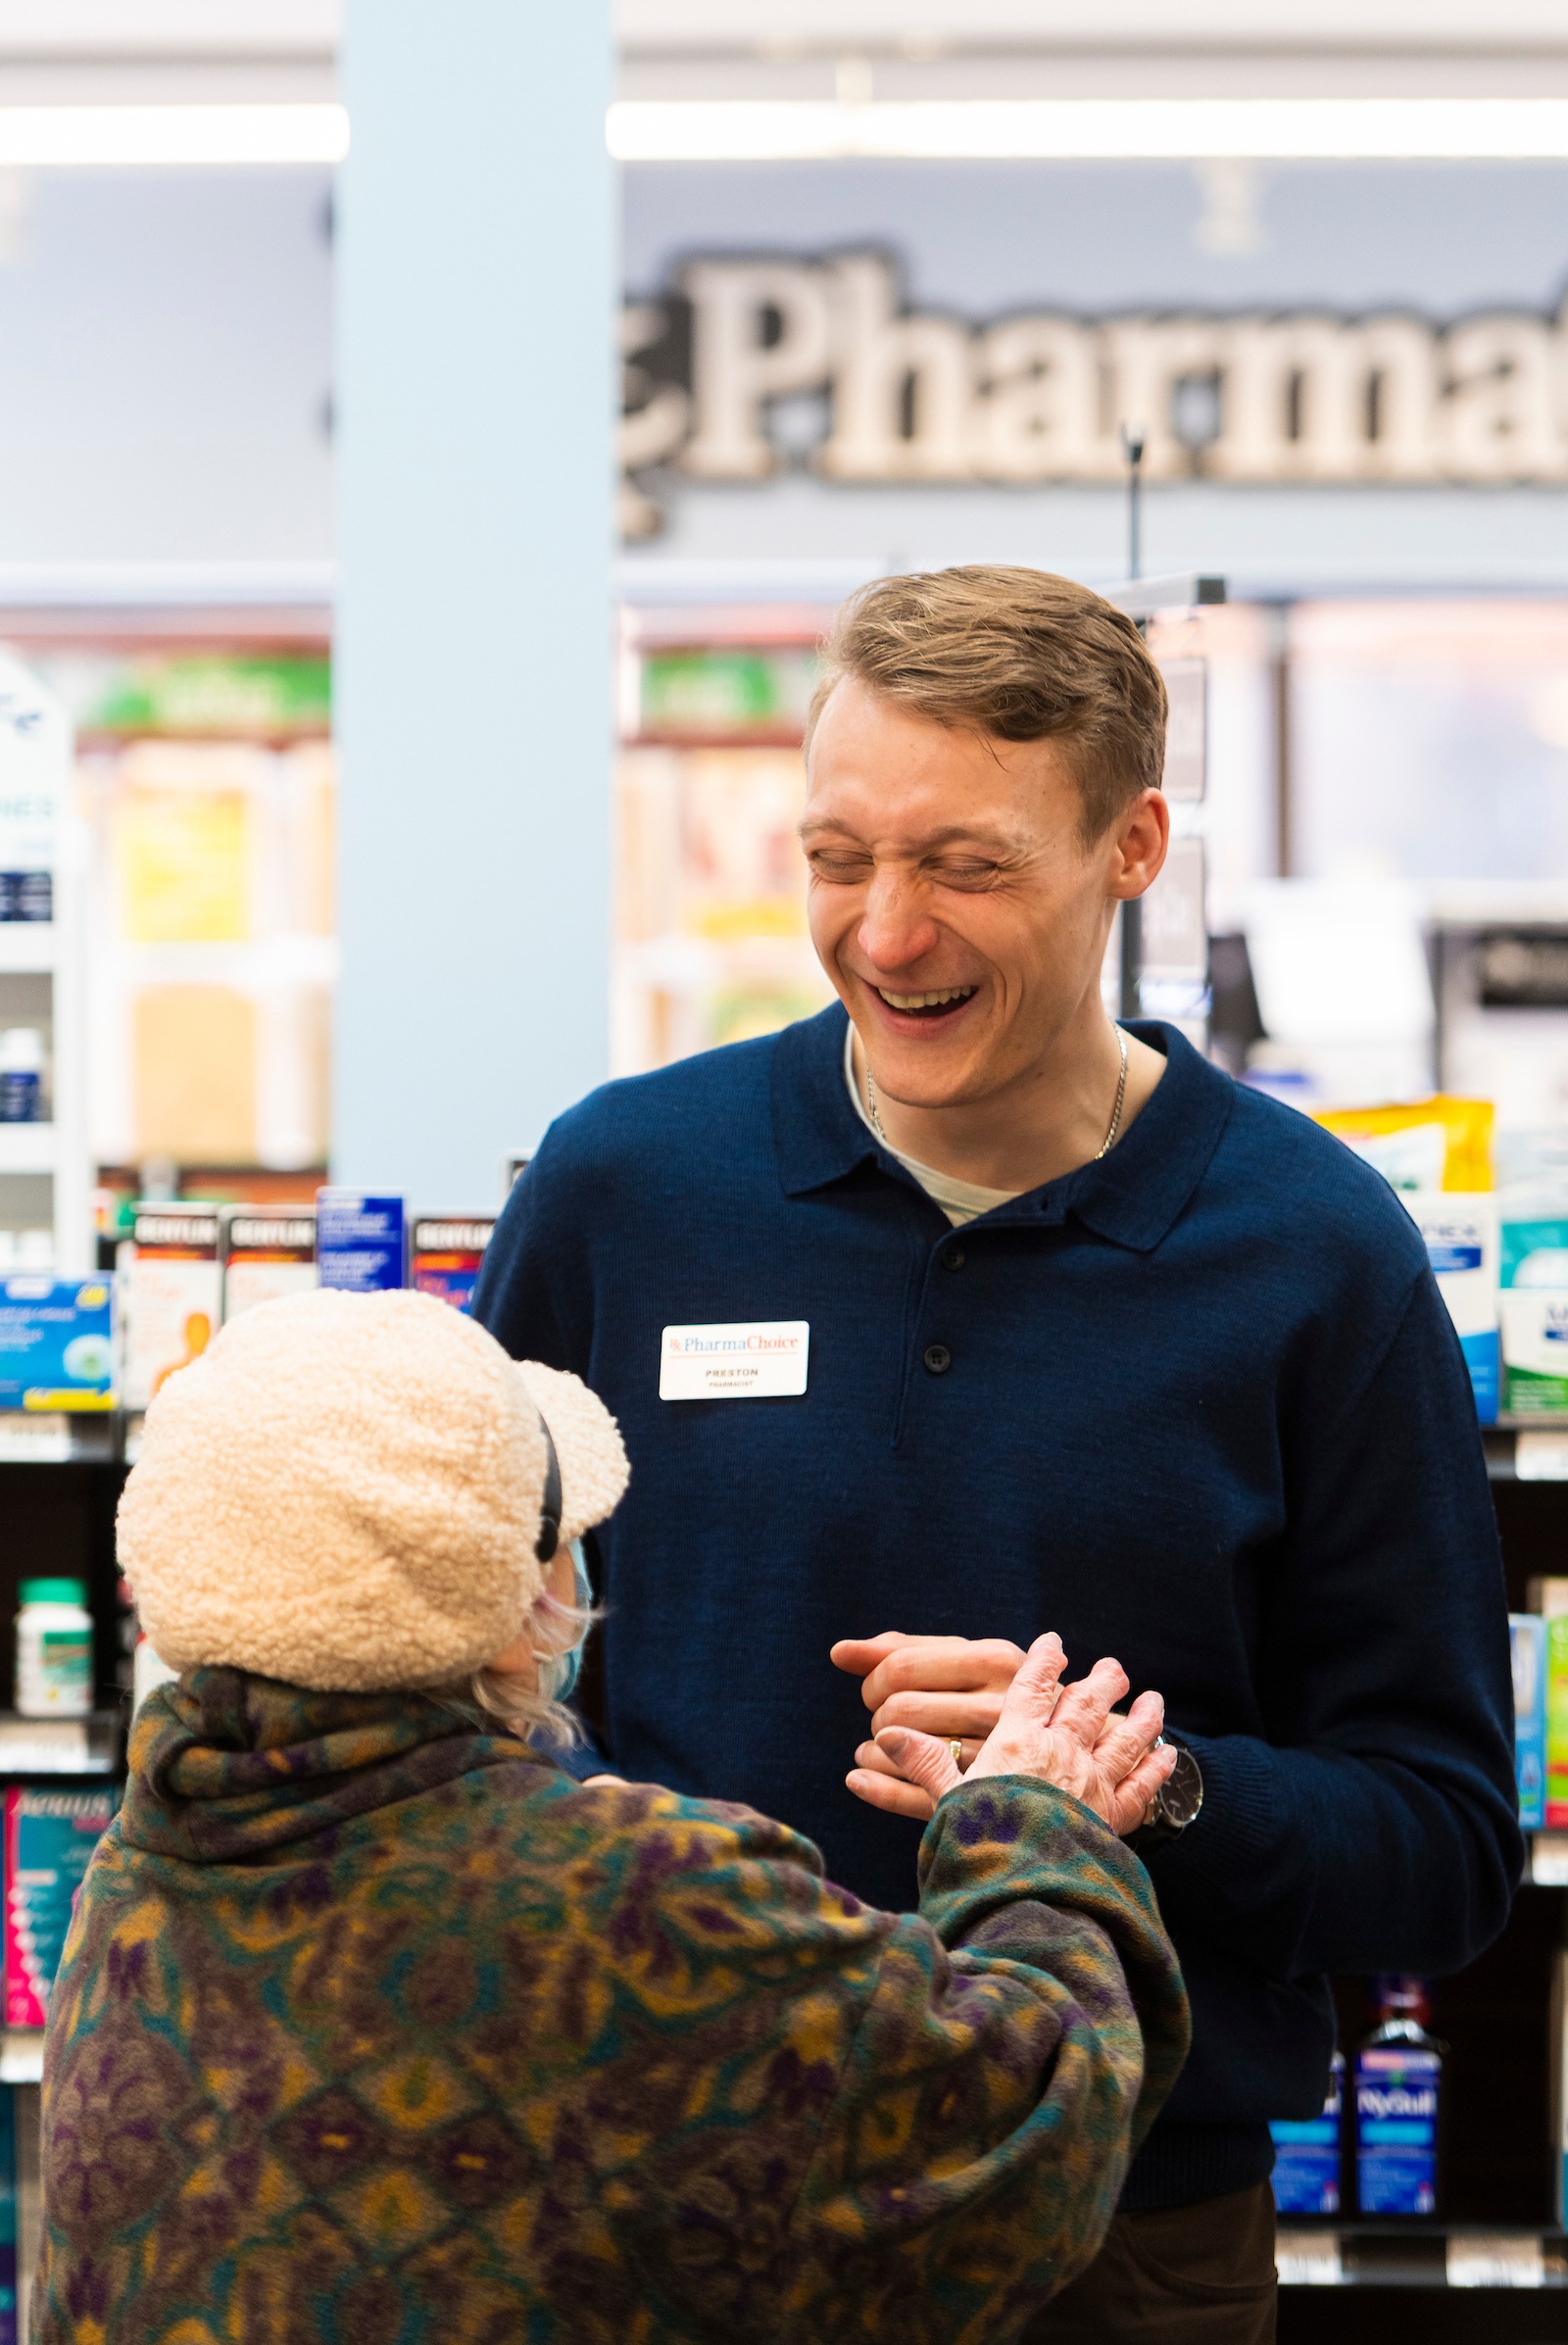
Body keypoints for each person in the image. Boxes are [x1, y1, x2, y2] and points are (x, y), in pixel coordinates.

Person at [473, 564, 1523, 2343]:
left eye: (966, 864)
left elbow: (1441, 1849)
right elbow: (456, 1696)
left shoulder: (1314, 1255)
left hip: (1120, 2236)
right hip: (668, 2190)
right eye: (836, 858)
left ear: (1131, 848)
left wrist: (1147, 1786)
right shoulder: (627, 1190)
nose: (885, 934)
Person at [36, 1286, 1189, 2344]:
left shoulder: (138, 1869)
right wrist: (1034, 1824)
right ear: (517, 1608)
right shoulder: (642, 1896)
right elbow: (1036, 2131)